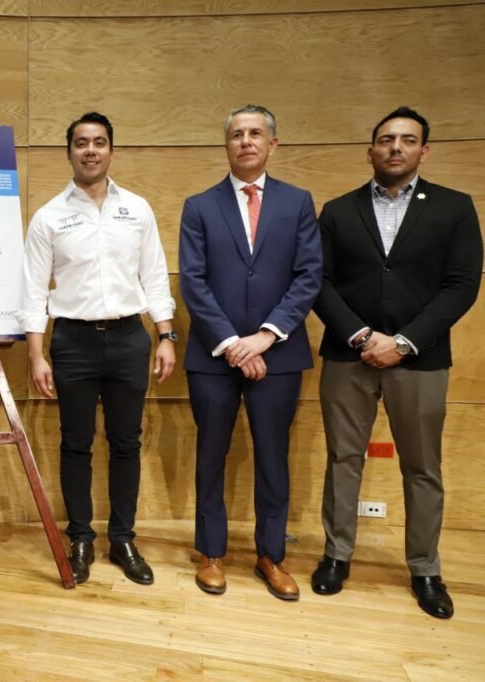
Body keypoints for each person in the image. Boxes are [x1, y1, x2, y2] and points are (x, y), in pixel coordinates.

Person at [311, 107, 482, 619]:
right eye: (386, 139)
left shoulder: (454, 207)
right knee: (343, 459)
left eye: (408, 140)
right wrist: (363, 335)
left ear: (424, 151)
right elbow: (319, 281)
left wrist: (404, 342)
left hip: (420, 359)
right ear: (371, 151)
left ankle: (425, 568)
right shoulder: (338, 211)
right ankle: (336, 555)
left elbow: (462, 286)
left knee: (422, 466)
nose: (396, 147)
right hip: (349, 354)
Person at [17, 112, 176, 586]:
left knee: (127, 443)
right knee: (76, 443)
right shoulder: (49, 216)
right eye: (82, 142)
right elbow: (32, 290)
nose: (90, 150)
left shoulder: (138, 210)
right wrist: (36, 354)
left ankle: (123, 539)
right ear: (69, 152)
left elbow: (155, 275)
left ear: (111, 150)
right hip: (73, 342)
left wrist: (166, 336)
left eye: (99, 142)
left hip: (130, 338)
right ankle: (81, 539)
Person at [179, 104, 322, 600]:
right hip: (212, 355)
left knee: (273, 459)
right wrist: (232, 345)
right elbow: (193, 281)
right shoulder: (199, 206)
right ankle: (211, 552)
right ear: (226, 145)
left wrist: (264, 336)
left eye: (255, 133)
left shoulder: (298, 202)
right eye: (237, 134)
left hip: (277, 354)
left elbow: (309, 275)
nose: (245, 141)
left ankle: (271, 556)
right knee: (210, 456)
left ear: (272, 144)